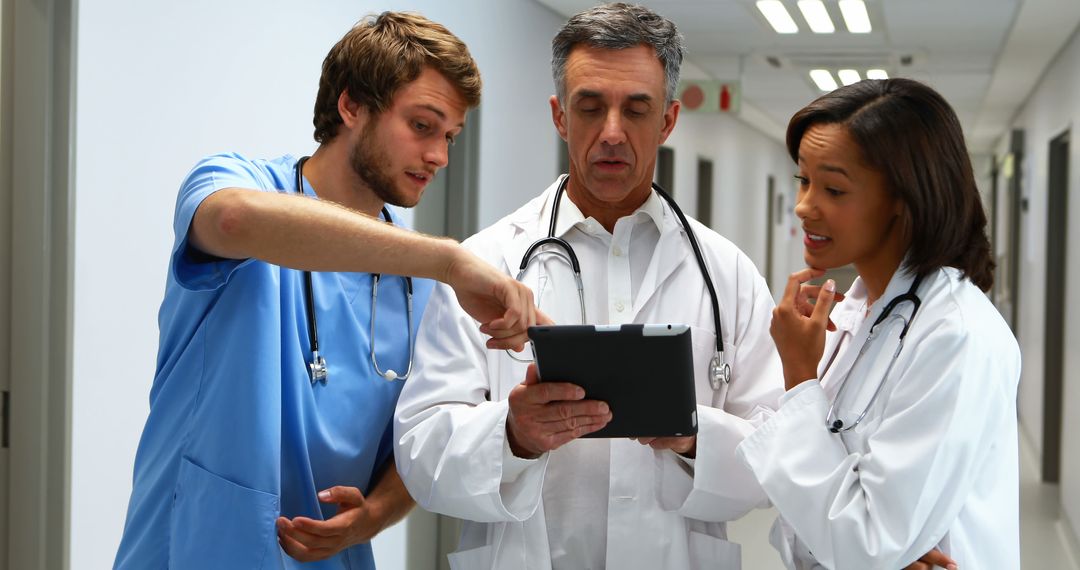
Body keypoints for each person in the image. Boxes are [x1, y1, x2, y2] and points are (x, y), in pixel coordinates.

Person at [114, 12, 540, 569]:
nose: (439, 155)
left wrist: (374, 514)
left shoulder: (418, 284)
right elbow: (234, 223)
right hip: (195, 545)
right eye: (421, 126)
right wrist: (451, 260)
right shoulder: (238, 181)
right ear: (352, 106)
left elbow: (420, 437)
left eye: (450, 137)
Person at [393, 4, 783, 568]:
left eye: (637, 109)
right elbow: (420, 451)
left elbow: (776, 456)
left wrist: (694, 438)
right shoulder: (488, 261)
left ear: (669, 121)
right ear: (560, 116)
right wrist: (514, 434)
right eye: (590, 107)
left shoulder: (728, 276)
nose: (612, 133)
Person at [736, 78, 1020, 570]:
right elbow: (818, 528)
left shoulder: (957, 336)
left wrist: (801, 378)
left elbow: (865, 542)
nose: (804, 206)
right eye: (803, 180)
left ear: (903, 198)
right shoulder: (861, 313)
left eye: (833, 188)